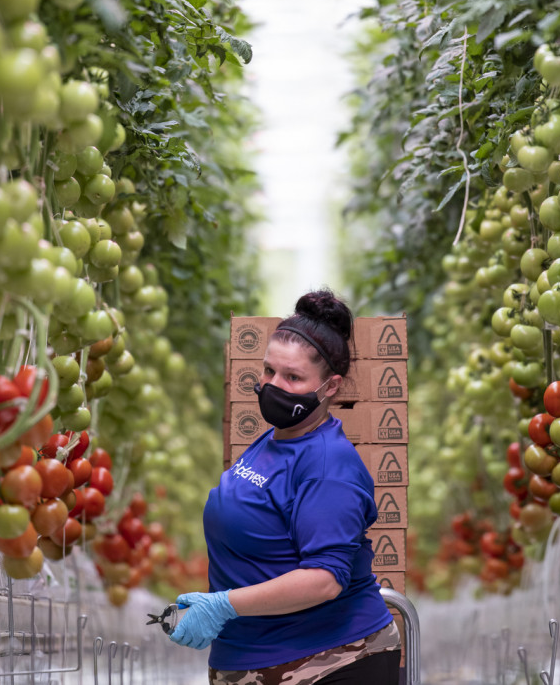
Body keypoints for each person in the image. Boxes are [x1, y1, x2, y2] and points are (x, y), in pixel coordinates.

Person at [168, 289, 400, 685]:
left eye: (293, 377)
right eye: (269, 371)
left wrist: (224, 604)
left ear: (329, 387)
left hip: (324, 663)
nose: (274, 385)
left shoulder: (328, 465)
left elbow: (325, 579)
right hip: (257, 657)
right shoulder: (276, 438)